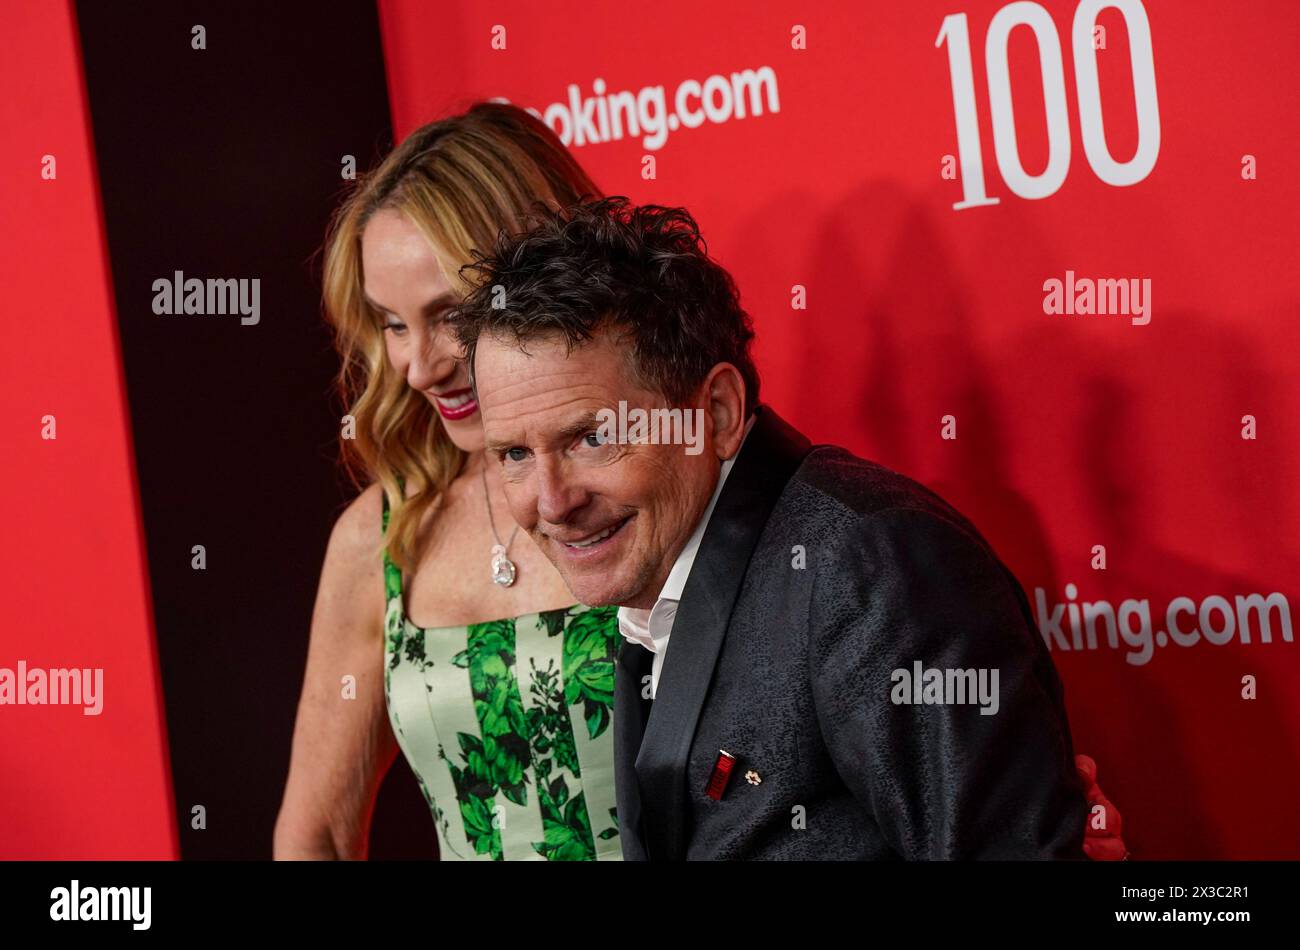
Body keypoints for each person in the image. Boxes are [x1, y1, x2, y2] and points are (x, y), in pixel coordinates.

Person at [449, 195, 1124, 859]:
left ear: (714, 412)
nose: (551, 500)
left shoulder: (870, 566)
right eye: (513, 454)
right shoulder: (663, 577)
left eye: (593, 437)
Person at [273, 103, 627, 861]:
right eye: (392, 324)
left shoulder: (660, 480)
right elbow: (317, 837)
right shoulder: (383, 535)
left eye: (450, 314)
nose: (417, 365)